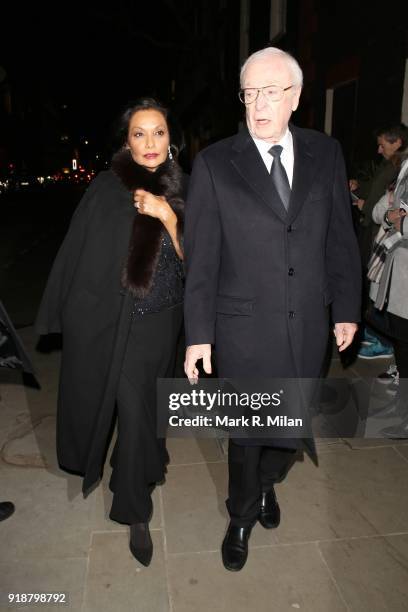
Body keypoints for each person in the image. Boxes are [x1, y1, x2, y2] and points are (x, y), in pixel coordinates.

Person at [183, 47, 361, 571]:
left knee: (290, 428)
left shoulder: (325, 153)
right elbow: (204, 261)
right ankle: (240, 516)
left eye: (271, 92)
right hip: (242, 332)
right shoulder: (215, 164)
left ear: (296, 97)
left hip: (307, 326)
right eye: (250, 93)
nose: (258, 105)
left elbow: (339, 240)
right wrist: (199, 336)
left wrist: (346, 308)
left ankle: (267, 487)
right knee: (246, 435)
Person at [35, 98, 186, 566]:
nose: (149, 143)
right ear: (127, 141)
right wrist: (70, 314)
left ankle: (138, 463)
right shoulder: (106, 189)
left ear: (170, 138)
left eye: (157, 132)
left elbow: (199, 263)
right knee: (135, 412)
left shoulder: (188, 187)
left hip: (168, 321)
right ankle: (133, 509)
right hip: (122, 326)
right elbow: (81, 257)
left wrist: (168, 217)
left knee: (152, 410)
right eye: (139, 134)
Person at [368, 150, 408, 437]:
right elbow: (382, 209)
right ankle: (401, 408)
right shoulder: (405, 164)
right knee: (402, 344)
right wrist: (393, 216)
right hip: (399, 273)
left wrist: (400, 221)